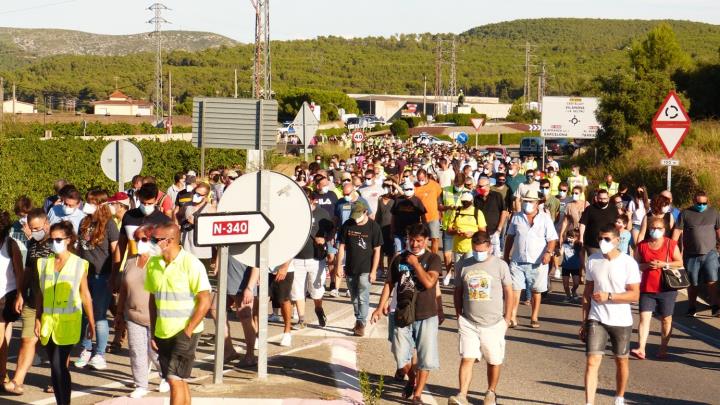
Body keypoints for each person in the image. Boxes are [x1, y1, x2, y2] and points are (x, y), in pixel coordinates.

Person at [370, 224, 442, 403]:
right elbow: (389, 283)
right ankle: (411, 379)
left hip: (426, 314)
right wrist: (380, 307)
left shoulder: (433, 258)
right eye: (411, 240)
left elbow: (429, 283)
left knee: (425, 357)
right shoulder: (398, 258)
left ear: (426, 240)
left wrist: (416, 264)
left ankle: (417, 395)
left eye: (419, 241)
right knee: (401, 356)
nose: (415, 244)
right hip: (402, 313)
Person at [146, 223, 212, 405]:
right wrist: (153, 331)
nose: (151, 243)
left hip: (185, 332)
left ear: (170, 241)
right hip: (162, 332)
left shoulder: (191, 264)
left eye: (155, 240)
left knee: (174, 379)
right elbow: (153, 300)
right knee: (177, 379)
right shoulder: (153, 263)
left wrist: (188, 331)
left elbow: (205, 300)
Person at [448, 231, 512, 405]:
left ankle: (491, 392)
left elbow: (508, 291)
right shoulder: (464, 264)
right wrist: (458, 314)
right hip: (469, 321)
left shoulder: (500, 265)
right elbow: (458, 290)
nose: (478, 253)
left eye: (482, 250)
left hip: (494, 323)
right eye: (475, 250)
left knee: (494, 360)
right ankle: (462, 394)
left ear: (489, 247)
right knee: (467, 357)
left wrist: (507, 317)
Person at [35, 221, 96, 405]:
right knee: (54, 368)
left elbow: (85, 294)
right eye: (51, 240)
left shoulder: (79, 264)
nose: (54, 243)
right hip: (48, 324)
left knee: (59, 365)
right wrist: (38, 318)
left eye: (59, 239)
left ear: (69, 240)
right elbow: (40, 294)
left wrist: (92, 323)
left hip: (68, 324)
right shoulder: (44, 263)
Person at [581, 224, 640, 405]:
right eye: (600, 238)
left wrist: (610, 296)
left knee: (621, 361)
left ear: (617, 240)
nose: (602, 242)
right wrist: (584, 321)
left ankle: (619, 397)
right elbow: (587, 293)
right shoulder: (593, 260)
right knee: (592, 361)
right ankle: (589, 402)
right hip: (596, 318)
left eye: (606, 239)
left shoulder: (628, 263)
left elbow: (635, 295)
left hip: (621, 320)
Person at [116, 226, 170, 398]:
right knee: (136, 350)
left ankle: (166, 376)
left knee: (155, 351)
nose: (139, 243)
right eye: (136, 239)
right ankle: (141, 384)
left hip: (155, 316)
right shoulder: (130, 261)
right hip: (132, 314)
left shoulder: (160, 262)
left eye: (144, 239)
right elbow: (124, 290)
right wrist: (119, 313)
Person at [4, 209, 50, 395]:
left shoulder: (59, 243)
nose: (33, 231)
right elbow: (28, 271)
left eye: (37, 228)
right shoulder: (33, 244)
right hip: (32, 300)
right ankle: (18, 380)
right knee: (27, 339)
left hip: (54, 303)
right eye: (31, 228)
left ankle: (59, 380)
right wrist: (21, 294)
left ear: (46, 224)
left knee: (55, 346)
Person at [74, 189, 120, 370]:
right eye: (88, 201)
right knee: (85, 314)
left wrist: (115, 275)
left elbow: (116, 251)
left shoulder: (109, 224)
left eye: (92, 202)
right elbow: (80, 249)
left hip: (103, 275)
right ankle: (86, 348)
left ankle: (99, 353)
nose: (88, 205)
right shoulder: (84, 222)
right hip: (85, 275)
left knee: (99, 315)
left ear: (101, 204)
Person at [504, 190, 558, 328]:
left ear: (538, 203)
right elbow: (510, 237)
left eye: (530, 201)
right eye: (525, 201)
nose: (527, 203)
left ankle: (534, 317)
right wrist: (506, 256)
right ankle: (512, 317)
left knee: (536, 291)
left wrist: (548, 253)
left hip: (538, 261)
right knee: (515, 289)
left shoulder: (545, 218)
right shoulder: (516, 217)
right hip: (518, 260)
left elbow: (552, 239)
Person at [631, 217, 683, 360]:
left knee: (666, 319)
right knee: (644, 318)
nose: (655, 231)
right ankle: (641, 348)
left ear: (664, 230)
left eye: (659, 228)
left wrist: (663, 264)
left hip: (667, 289)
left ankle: (663, 348)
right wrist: (647, 266)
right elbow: (635, 265)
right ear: (649, 229)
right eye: (653, 228)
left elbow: (679, 262)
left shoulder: (670, 244)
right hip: (647, 288)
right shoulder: (642, 245)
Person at [337, 201, 383, 336]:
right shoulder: (348, 224)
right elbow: (341, 247)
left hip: (366, 268)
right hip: (351, 267)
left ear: (365, 213)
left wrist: (374, 271)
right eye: (354, 216)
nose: (355, 220)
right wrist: (339, 265)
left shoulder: (374, 227)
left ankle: (361, 322)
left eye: (358, 216)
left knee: (363, 296)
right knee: (354, 297)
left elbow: (377, 251)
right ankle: (359, 319)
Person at [671, 191, 720, 317]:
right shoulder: (685, 214)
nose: (702, 205)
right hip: (691, 255)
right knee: (693, 283)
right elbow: (677, 231)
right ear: (694, 201)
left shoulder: (714, 213)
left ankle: (715, 307)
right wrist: (670, 248)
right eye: (699, 203)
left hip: (710, 253)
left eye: (704, 203)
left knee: (712, 280)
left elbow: (718, 231)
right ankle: (692, 307)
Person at [291, 188, 333, 330]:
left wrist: (325, 238)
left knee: (316, 290)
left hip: (316, 258)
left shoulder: (322, 213)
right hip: (296, 258)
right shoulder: (294, 213)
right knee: (297, 290)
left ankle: (318, 309)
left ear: (312, 199)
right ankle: (301, 319)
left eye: (306, 198)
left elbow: (332, 230)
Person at [0, 211, 23, 385]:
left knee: (0, 339)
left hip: (4, 296)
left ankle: (2, 374)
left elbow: (19, 272)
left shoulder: (11, 245)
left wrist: (20, 295)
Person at [439, 174, 467, 284]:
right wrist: (448, 207)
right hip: (448, 226)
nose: (458, 186)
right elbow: (439, 206)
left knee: (460, 254)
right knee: (447, 254)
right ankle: (449, 273)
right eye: (456, 184)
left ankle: (459, 275)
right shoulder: (445, 190)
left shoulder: (467, 192)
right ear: (453, 182)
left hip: (461, 226)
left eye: (460, 185)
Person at [474, 177, 508, 258]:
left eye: (481, 186)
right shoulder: (476, 198)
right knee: (483, 257)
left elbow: (504, 212)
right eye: (479, 186)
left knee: (496, 257)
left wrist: (499, 229)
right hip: (482, 233)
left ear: (488, 186)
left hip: (494, 232)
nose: (479, 188)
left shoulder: (497, 196)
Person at [390, 183, 427, 254]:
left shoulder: (417, 201)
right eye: (406, 189)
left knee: (411, 253)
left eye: (410, 189)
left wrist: (424, 232)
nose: (408, 190)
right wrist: (391, 231)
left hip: (413, 234)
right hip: (398, 233)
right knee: (398, 252)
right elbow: (393, 217)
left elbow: (423, 217)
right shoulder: (398, 200)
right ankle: (398, 265)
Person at [414, 169, 443, 254]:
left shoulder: (435, 185)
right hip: (420, 218)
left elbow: (439, 199)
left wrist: (441, 213)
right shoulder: (415, 186)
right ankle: (427, 255)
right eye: (419, 179)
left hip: (433, 216)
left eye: (422, 179)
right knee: (421, 239)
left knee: (435, 238)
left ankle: (434, 257)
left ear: (426, 176)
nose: (420, 181)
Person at [560, 229, 582, 302]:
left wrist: (584, 267)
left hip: (575, 267)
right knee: (565, 285)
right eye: (568, 237)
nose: (569, 239)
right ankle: (568, 296)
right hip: (565, 266)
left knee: (576, 283)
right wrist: (557, 252)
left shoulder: (579, 245)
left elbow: (581, 257)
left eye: (572, 237)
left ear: (576, 238)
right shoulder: (564, 244)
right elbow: (560, 252)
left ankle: (573, 290)